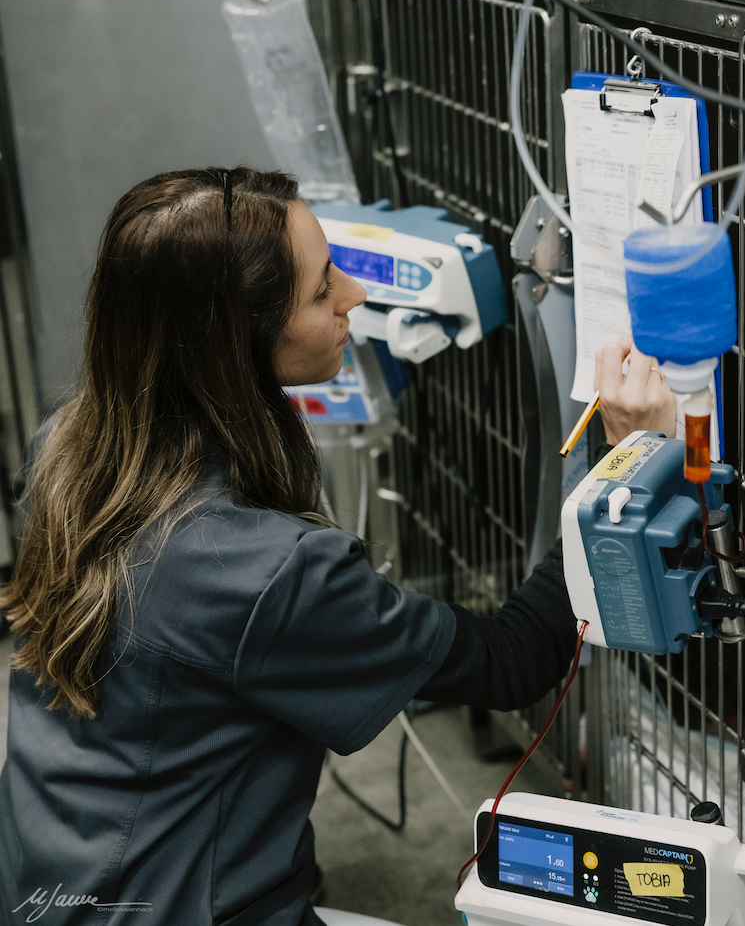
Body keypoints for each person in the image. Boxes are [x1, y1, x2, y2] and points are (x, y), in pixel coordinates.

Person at [0, 168, 675, 926]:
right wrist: (626, 460)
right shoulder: (264, 572)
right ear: (239, 339)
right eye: (324, 288)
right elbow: (512, 659)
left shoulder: (65, 448)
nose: (356, 293)